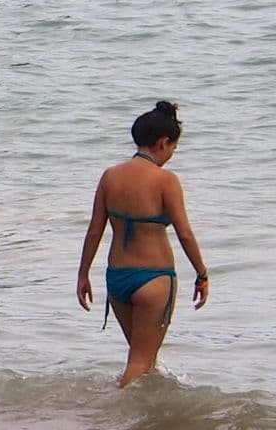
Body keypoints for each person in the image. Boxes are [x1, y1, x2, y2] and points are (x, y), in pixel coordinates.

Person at [77, 101, 209, 387]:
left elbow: (94, 231)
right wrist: (202, 274)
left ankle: (144, 423)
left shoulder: (110, 176)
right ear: (163, 143)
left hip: (117, 279)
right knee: (139, 362)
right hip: (153, 278)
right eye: (173, 148)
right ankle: (121, 417)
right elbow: (184, 233)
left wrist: (83, 274)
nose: (172, 155)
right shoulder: (165, 180)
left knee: (144, 360)